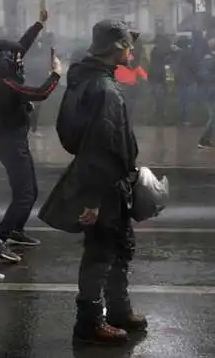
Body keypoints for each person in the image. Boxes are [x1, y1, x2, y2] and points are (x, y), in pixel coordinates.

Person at [51, 19, 147, 345]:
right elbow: (100, 146)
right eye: (127, 44)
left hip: (107, 181)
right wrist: (92, 199)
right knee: (100, 254)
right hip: (103, 185)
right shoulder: (103, 88)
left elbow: (71, 134)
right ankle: (90, 323)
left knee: (120, 248)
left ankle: (120, 311)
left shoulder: (89, 80)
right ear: (116, 48)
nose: (131, 49)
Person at [0, 8, 61, 263]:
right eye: (15, 57)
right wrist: (57, 74)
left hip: (14, 142)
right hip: (11, 145)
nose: (21, 59)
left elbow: (21, 46)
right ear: (6, 59)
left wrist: (39, 24)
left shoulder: (3, 73)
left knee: (29, 191)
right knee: (25, 194)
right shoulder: (6, 84)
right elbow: (39, 94)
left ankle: (16, 230)